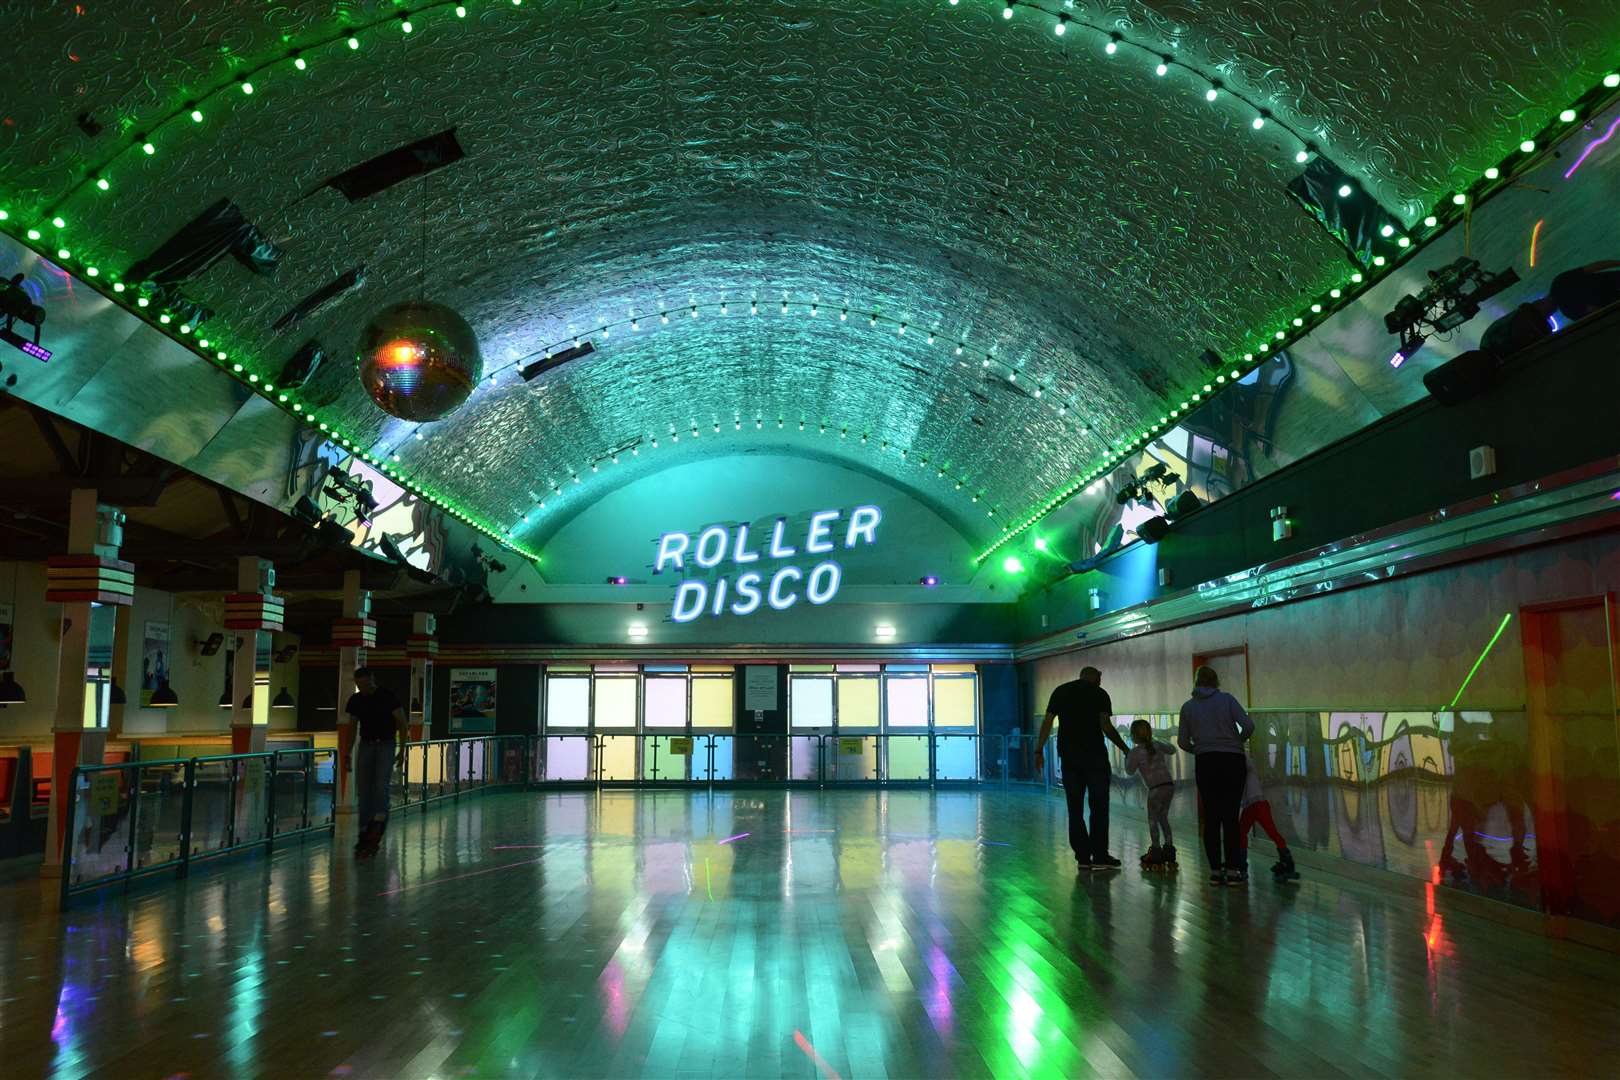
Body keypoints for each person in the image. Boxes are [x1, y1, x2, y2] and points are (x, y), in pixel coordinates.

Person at [1035, 666, 1131, 871]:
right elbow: (1105, 726)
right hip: (1095, 757)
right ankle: (1099, 856)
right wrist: (1124, 748)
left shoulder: (1060, 691)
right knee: (1099, 807)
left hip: (1069, 758)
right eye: (1100, 679)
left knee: (1075, 808)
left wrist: (1038, 749)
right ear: (1096, 678)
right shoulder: (1100, 694)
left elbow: (1047, 721)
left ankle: (1083, 858)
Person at [1176, 666, 1253, 885]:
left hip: (1206, 762)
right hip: (1232, 761)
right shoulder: (1227, 700)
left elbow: (1182, 742)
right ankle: (1233, 870)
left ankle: (1215, 872)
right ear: (1216, 681)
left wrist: (1200, 749)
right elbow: (1248, 725)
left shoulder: (1188, 707)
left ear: (1196, 682)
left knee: (1211, 817)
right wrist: (1237, 741)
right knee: (1230, 817)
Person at [345, 666, 407, 857]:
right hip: (366, 745)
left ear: (372, 679)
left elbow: (402, 723)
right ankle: (365, 830)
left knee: (380, 787)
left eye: (366, 684)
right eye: (359, 685)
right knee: (364, 790)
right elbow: (352, 727)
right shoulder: (355, 700)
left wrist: (402, 750)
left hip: (386, 744)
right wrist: (347, 752)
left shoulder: (388, 696)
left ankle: (377, 827)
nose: (363, 689)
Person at [1125, 719, 1177, 870]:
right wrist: (1159, 741)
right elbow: (1172, 749)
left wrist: (1127, 757)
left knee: (1153, 820)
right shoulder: (1157, 745)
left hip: (1155, 789)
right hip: (1168, 786)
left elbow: (1129, 771)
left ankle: (1155, 852)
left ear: (1134, 736)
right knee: (1163, 818)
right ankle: (1169, 850)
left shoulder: (1135, 752)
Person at [1239, 756, 1298, 880]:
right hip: (1256, 804)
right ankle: (1287, 863)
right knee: (1271, 833)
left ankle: (1242, 867)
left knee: (1245, 833)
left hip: (1256, 804)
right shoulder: (1245, 762)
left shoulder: (1244, 761)